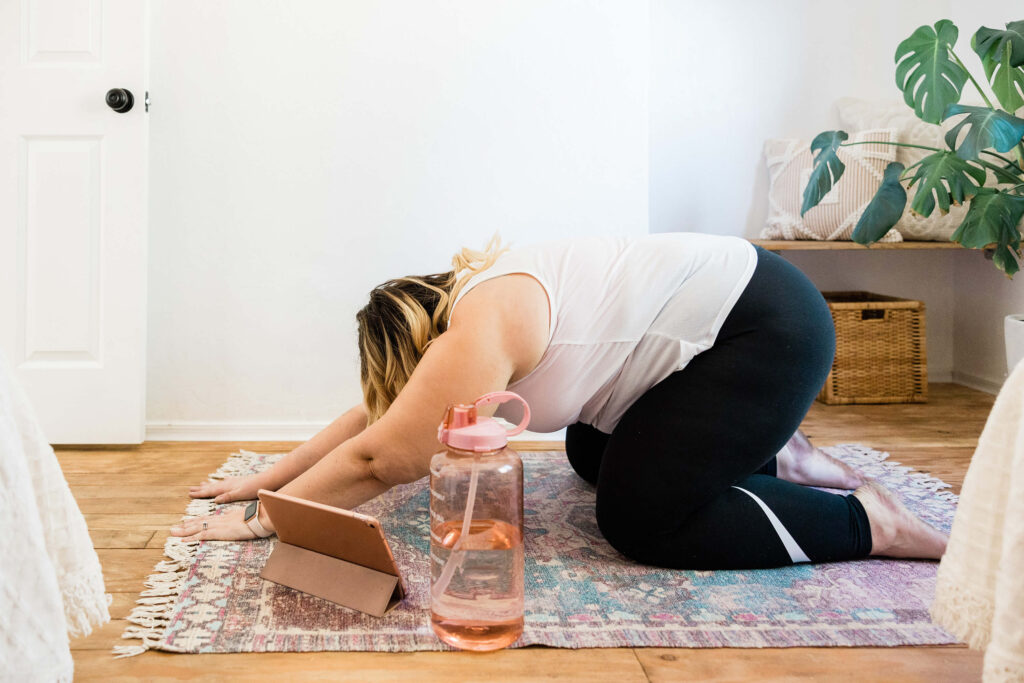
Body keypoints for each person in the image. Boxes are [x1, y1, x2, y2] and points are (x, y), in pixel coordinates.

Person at [172, 233, 948, 569]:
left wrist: (261, 520)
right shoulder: (479, 301)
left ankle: (867, 521)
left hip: (769, 332)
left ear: (422, 343)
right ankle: (783, 452)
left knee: (640, 515)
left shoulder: (479, 328)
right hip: (752, 311)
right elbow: (377, 418)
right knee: (590, 447)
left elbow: (386, 452)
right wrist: (270, 475)